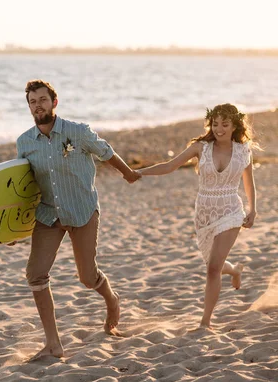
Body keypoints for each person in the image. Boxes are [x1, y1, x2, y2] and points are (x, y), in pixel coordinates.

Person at [15, 79, 140, 360]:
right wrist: (14, 227)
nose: (38, 106)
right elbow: (24, 187)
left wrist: (128, 173)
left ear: (54, 102)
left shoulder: (78, 132)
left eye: (43, 100)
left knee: (86, 276)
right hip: (48, 214)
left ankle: (112, 300)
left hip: (82, 210)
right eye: (33, 102)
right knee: (35, 274)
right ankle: (53, 343)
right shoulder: (24, 142)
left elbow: (106, 152)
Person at [137, 103, 257, 329]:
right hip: (204, 214)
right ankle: (235, 270)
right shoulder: (200, 148)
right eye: (215, 124)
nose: (219, 129)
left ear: (234, 126)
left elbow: (249, 182)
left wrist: (252, 209)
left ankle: (205, 322)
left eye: (225, 124)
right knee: (217, 265)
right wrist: (139, 172)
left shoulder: (243, 151)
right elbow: (170, 166)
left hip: (231, 211)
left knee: (212, 269)